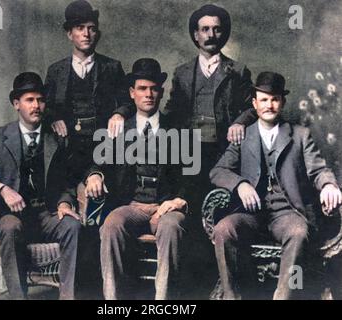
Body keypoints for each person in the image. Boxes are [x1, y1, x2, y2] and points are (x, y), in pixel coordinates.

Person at [210, 71, 342, 299]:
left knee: (299, 232)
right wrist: (240, 184)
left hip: (287, 213)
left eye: (275, 99)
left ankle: (282, 296)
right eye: (263, 99)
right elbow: (218, 171)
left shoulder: (300, 135)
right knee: (223, 229)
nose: (269, 105)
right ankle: (232, 296)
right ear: (254, 103)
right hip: (250, 213)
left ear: (282, 102)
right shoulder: (243, 136)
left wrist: (329, 185)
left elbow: (318, 170)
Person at [0, 72, 81, 300]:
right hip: (9, 215)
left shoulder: (56, 138)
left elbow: (69, 180)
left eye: (41, 100)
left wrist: (65, 202)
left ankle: (68, 296)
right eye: (29, 100)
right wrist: (1, 189)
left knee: (72, 226)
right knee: (11, 227)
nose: (36, 106)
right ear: (16, 104)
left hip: (46, 213)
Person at [83, 58, 189, 300]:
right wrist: (95, 176)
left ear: (161, 92)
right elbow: (96, 163)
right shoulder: (118, 130)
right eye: (142, 88)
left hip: (165, 206)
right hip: (130, 206)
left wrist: (179, 199)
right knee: (111, 224)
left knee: (172, 227)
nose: (148, 94)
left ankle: (164, 301)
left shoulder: (178, 128)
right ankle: (113, 300)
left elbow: (192, 174)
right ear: (132, 93)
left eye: (153, 88)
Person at [164, 4, 256, 214]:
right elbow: (171, 112)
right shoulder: (182, 73)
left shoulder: (238, 71)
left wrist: (240, 122)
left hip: (223, 151)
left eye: (216, 29)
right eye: (204, 29)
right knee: (189, 207)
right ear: (196, 35)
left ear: (223, 33)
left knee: (222, 209)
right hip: (188, 152)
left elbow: (252, 108)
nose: (211, 35)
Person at [44, 0, 133, 184]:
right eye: (79, 28)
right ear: (70, 33)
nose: (86, 34)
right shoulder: (56, 71)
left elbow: (128, 101)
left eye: (91, 28)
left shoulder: (112, 67)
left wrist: (119, 114)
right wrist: (53, 118)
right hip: (68, 147)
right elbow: (45, 106)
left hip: (104, 147)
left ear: (97, 34)